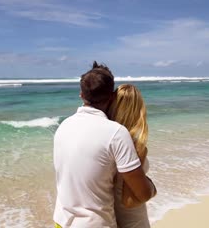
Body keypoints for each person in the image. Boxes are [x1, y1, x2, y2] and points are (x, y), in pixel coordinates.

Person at [53, 61, 156, 227]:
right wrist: (151, 186)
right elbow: (142, 193)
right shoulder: (116, 133)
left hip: (62, 221)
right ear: (111, 97)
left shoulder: (63, 126)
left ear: (81, 95)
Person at [108, 84, 151, 228]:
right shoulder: (135, 147)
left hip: (110, 218)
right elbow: (131, 197)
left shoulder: (104, 142)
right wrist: (151, 187)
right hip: (133, 220)